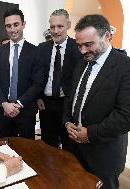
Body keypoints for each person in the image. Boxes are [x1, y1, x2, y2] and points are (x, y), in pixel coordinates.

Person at [63, 14, 130, 189]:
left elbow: (127, 117)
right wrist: (67, 122)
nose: (83, 50)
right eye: (79, 45)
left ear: (107, 36)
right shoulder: (81, 64)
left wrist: (90, 134)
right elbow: (71, 97)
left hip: (103, 154)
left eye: (88, 44)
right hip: (73, 149)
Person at [0, 8, 44, 139]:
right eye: (8, 26)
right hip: (4, 111)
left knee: (27, 151)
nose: (12, 29)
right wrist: (5, 104)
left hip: (26, 111)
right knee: (6, 150)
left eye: (16, 24)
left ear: (23, 24)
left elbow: (37, 83)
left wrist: (19, 104)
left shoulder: (36, 51)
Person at [37, 9, 82, 148]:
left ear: (68, 25)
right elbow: (38, 75)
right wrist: (38, 97)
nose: (55, 31)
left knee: (68, 143)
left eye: (60, 26)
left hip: (67, 104)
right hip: (46, 104)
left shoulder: (78, 48)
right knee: (48, 143)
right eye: (52, 27)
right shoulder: (42, 48)